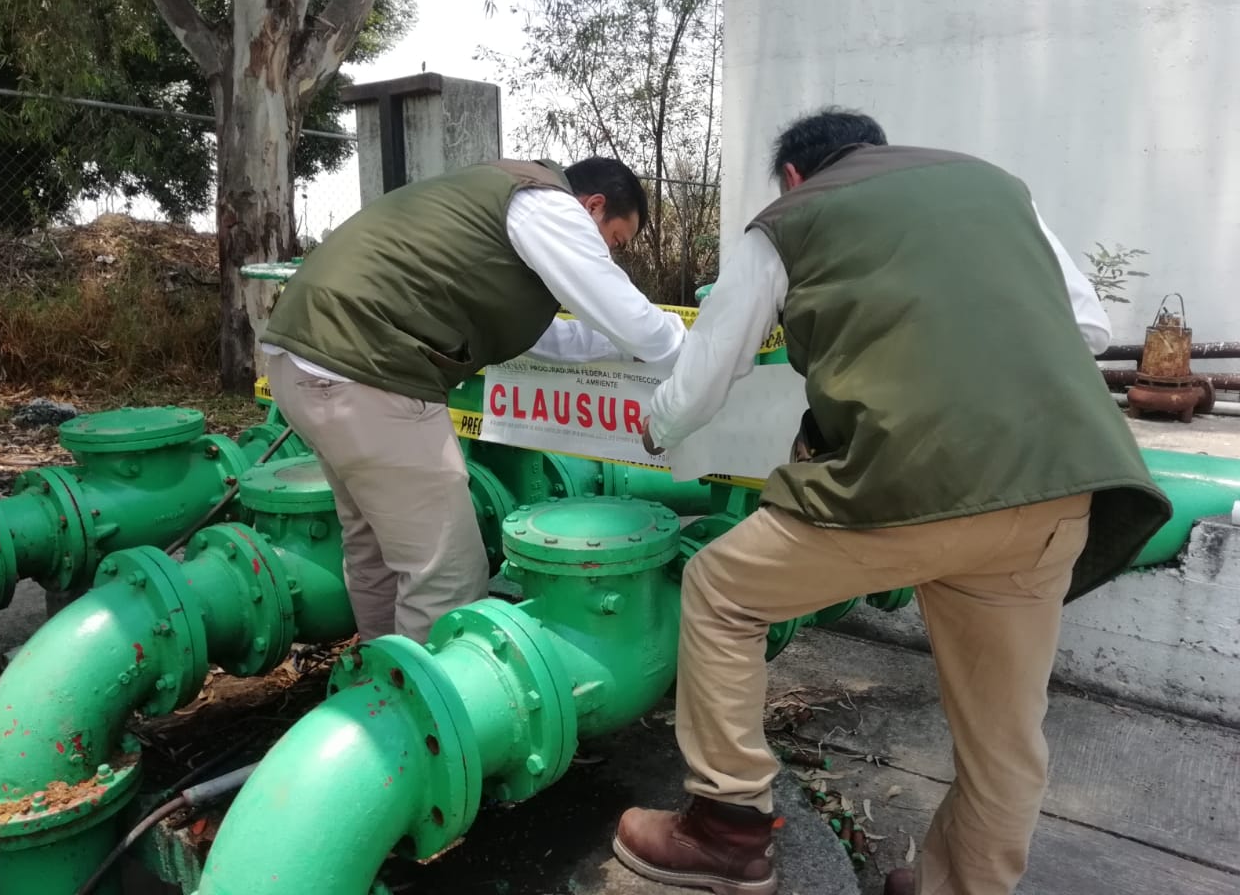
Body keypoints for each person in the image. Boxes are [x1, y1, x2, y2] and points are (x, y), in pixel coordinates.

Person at [611, 110, 1170, 895]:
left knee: (721, 589)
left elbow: (704, 379)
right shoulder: (994, 189)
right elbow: (1089, 328)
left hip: (901, 489)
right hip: (1055, 487)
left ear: (796, 176)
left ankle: (727, 830)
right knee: (1005, 734)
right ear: (875, 151)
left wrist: (653, 428)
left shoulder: (787, 222)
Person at [261, 156, 686, 644]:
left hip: (305, 363)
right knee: (448, 573)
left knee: (376, 549)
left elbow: (546, 339)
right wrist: (695, 348)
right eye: (615, 241)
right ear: (594, 206)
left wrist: (626, 346)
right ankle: (428, 711)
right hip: (369, 373)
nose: (611, 255)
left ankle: (377, 684)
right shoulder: (549, 205)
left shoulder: (500, 206)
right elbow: (621, 309)